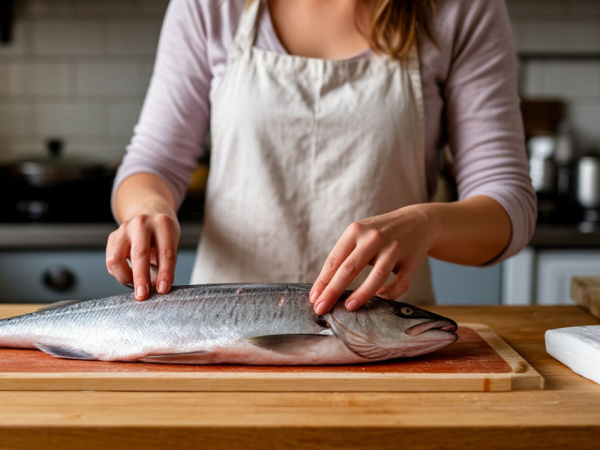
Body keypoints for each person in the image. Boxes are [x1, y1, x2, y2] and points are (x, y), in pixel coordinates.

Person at [106, 0, 536, 315]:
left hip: (382, 333)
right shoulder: (208, 6)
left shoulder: (462, 9)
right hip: (220, 328)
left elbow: (508, 205)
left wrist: (426, 225)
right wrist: (148, 210)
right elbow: (154, 163)